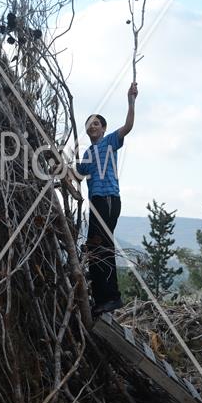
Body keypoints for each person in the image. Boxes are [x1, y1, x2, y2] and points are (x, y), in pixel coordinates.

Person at [75, 81, 138, 316]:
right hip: (95, 203)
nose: (92, 126)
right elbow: (76, 174)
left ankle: (112, 297)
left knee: (103, 247)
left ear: (102, 128)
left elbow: (128, 126)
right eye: (89, 124)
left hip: (109, 199)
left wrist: (130, 101)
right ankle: (101, 298)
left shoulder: (110, 141)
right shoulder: (88, 153)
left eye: (96, 123)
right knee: (94, 248)